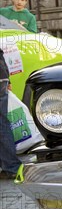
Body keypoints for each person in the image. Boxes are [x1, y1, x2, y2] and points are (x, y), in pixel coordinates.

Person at [0, 49, 22, 179]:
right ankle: (11, 166)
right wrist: (8, 80)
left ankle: (11, 166)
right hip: (2, 78)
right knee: (2, 123)